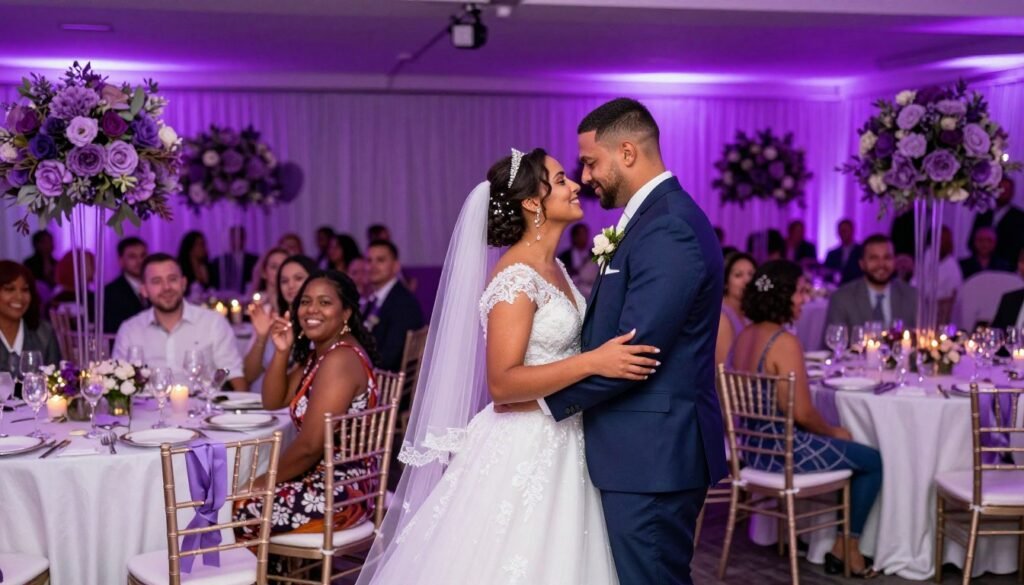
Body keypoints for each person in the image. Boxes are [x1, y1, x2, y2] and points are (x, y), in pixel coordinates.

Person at [358, 145, 663, 585]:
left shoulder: (554, 266)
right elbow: (502, 384)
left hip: (567, 433)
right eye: (561, 180)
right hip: (526, 442)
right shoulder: (515, 279)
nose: (575, 186)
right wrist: (594, 362)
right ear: (533, 202)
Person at [730, 260, 882, 578]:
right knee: (872, 461)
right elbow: (802, 413)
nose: (805, 299)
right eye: (800, 292)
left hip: (753, 451)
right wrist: (834, 432)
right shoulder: (784, 342)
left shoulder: (745, 335)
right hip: (782, 453)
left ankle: (836, 544)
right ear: (782, 295)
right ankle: (847, 547)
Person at [234, 270, 382, 541]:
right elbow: (273, 400)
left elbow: (310, 446)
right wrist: (282, 351)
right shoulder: (321, 354)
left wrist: (261, 483)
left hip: (341, 491)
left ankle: (269, 568)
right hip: (323, 478)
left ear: (346, 313)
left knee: (237, 508)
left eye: (325, 302)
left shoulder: (340, 360)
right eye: (305, 302)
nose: (312, 309)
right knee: (233, 497)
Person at [112, 254, 245, 389]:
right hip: (148, 402)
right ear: (144, 290)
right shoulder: (130, 330)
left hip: (202, 401)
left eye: (172, 279)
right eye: (157, 281)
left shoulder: (213, 323)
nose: (166, 287)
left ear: (183, 284)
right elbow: (117, 383)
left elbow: (232, 373)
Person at [244, 254, 317, 393]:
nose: (290, 285)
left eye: (298, 278)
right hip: (262, 398)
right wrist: (261, 337)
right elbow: (249, 376)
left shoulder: (320, 321)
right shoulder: (273, 318)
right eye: (284, 281)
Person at [824, 234, 917, 336]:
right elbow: (834, 342)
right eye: (874, 258)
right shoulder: (841, 298)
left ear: (894, 261)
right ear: (862, 264)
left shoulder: (912, 296)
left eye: (887, 257)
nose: (881, 264)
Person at [363, 240, 424, 372]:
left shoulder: (403, 304)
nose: (372, 266)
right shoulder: (374, 299)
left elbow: (389, 358)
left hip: (385, 378)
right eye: (369, 260)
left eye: (380, 260)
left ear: (396, 266)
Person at [0, 261, 60, 376]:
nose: (19, 297)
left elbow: (55, 380)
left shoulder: (44, 332)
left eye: (25, 290)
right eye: (9, 289)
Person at [971, 177, 1024, 267]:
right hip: (981, 266)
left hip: (1008, 266)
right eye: (1000, 189)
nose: (1003, 193)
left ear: (1012, 192)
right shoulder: (984, 213)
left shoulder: (1019, 217)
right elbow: (972, 240)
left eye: (1006, 190)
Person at [716, 252, 756, 367]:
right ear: (726, 283)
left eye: (751, 274)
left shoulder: (750, 312)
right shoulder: (722, 316)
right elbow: (724, 369)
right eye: (738, 275)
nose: (747, 280)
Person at [103, 237, 149, 334]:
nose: (140, 261)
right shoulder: (110, 293)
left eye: (143, 255)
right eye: (132, 257)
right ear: (121, 261)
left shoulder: (156, 287)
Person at [214, 225, 259, 294]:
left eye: (238, 237)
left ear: (243, 239)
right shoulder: (220, 262)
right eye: (233, 237)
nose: (236, 240)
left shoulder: (254, 260)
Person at [177, 231, 218, 299]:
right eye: (200, 245)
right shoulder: (181, 268)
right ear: (190, 247)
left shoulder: (210, 267)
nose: (204, 248)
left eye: (204, 244)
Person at [824, 218, 863, 284]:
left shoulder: (861, 251)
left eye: (845, 231)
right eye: (841, 231)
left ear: (852, 231)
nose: (843, 233)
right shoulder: (832, 254)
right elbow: (826, 273)